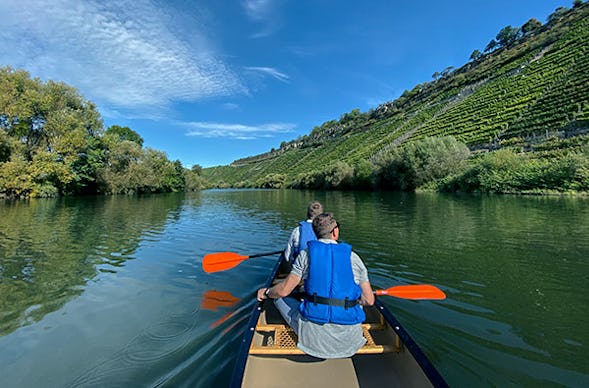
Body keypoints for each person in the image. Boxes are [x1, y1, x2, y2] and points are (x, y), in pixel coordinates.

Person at [257, 212, 374, 359]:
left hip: (312, 342)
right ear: (335, 231)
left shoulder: (305, 255)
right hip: (350, 342)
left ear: (315, 233)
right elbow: (369, 301)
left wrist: (266, 292)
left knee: (278, 298)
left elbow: (283, 291)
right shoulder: (354, 258)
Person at [283, 201, 323, 265]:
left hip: (299, 270)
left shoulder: (297, 230)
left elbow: (287, 256)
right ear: (321, 216)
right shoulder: (325, 231)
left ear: (307, 214)